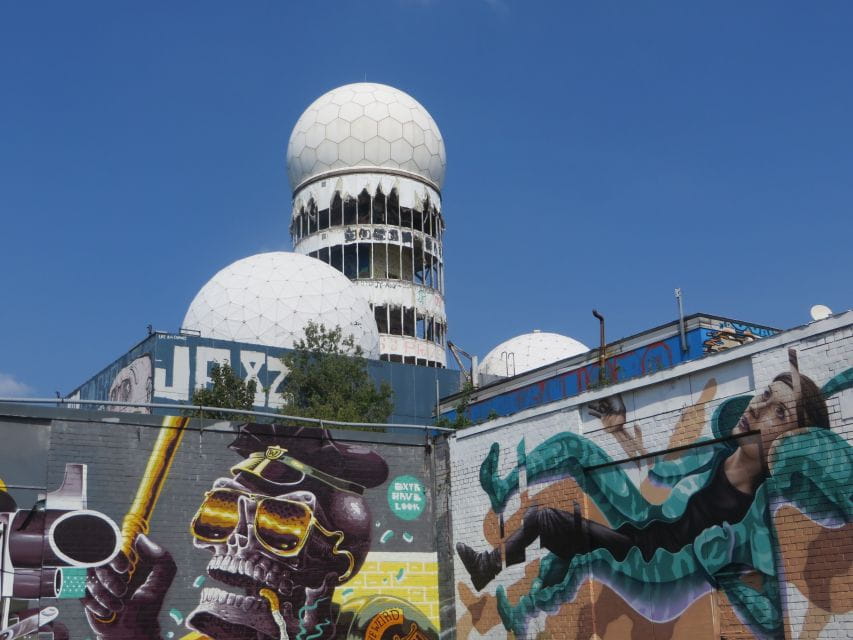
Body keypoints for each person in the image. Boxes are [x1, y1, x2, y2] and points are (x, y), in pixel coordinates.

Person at [456, 367, 847, 638]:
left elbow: (772, 615)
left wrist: (727, 576)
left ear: (791, 442)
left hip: (658, 572)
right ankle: (503, 490)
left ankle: (512, 597)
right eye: (765, 395)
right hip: (642, 527)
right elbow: (658, 469)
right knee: (574, 449)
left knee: (563, 537)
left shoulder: (761, 515)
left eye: (780, 412)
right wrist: (621, 432)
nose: (757, 408)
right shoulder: (711, 454)